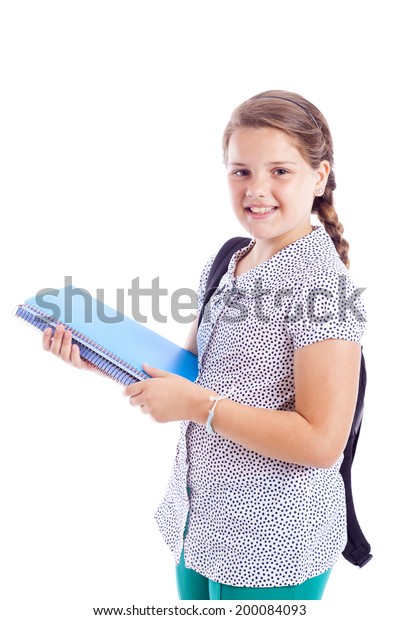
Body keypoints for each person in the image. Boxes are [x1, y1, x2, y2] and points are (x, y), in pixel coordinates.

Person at [43, 90, 367, 600]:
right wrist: (101, 359)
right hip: (202, 522)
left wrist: (199, 406)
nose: (256, 189)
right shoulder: (231, 257)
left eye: (280, 171)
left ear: (320, 177)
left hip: (271, 545)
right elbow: (193, 371)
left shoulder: (323, 291)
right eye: (241, 171)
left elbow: (323, 444)